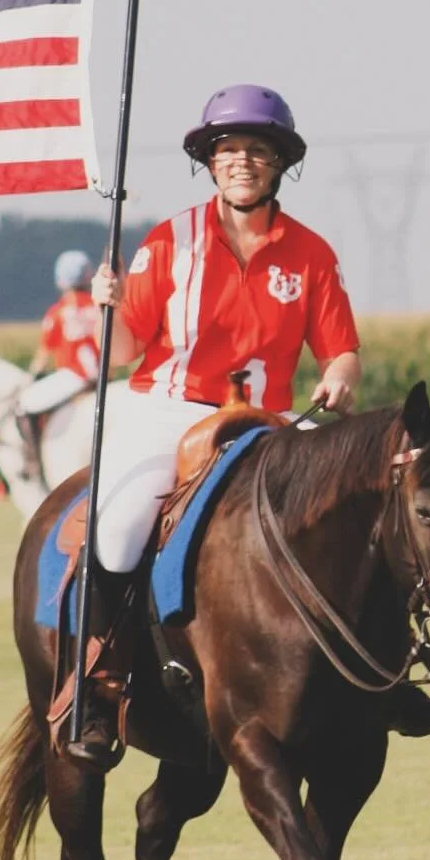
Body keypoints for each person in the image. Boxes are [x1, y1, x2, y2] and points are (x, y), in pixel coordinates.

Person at [88, 86, 361, 574]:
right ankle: (108, 648)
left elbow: (341, 353)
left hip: (269, 423)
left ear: (279, 164)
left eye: (258, 150)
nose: (243, 161)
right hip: (170, 413)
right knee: (117, 538)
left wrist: (340, 377)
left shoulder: (312, 253)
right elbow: (121, 352)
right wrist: (108, 308)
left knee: (354, 515)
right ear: (211, 162)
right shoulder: (170, 240)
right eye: (229, 149)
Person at [14, 250, 101, 474]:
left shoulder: (58, 312)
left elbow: (43, 356)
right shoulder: (99, 307)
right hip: (101, 378)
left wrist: (29, 378)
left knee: (24, 404)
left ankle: (33, 461)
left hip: (74, 376)